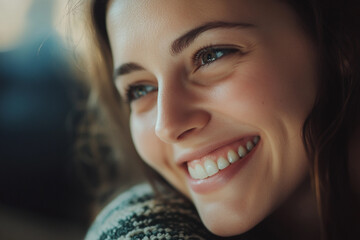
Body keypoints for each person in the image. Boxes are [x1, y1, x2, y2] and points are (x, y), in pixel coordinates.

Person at [80, 0, 360, 239]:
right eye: (141, 89)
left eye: (211, 55)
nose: (167, 125)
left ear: (338, 40)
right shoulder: (138, 224)